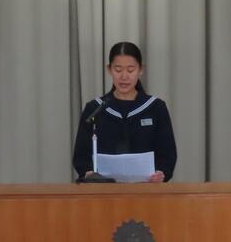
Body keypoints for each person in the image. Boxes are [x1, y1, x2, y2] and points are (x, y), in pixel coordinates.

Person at [73, 41, 177, 182]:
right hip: (104, 191)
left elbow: (168, 154)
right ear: (109, 69)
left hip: (147, 190)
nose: (124, 76)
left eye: (130, 70)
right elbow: (81, 155)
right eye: (118, 69)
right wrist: (88, 173)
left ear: (141, 70)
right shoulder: (95, 109)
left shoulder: (155, 108)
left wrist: (161, 173)